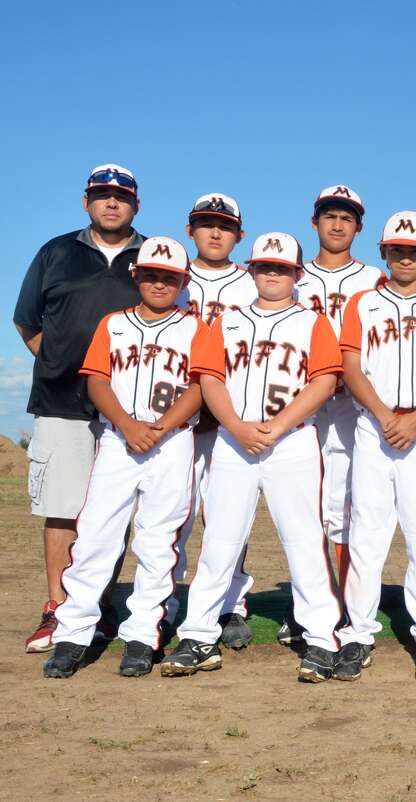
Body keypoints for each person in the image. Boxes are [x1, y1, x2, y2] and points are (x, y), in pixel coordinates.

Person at [160, 232, 345, 682]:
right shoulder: (227, 322)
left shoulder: (313, 323)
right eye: (264, 266)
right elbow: (210, 379)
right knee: (220, 538)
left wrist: (277, 427)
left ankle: (321, 638)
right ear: (252, 270)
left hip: (293, 440)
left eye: (281, 268)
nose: (272, 274)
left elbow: (323, 382)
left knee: (303, 540)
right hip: (233, 439)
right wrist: (238, 426)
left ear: (297, 274)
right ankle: (199, 634)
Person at [42, 237, 205, 678]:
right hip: (119, 438)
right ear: (136, 276)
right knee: (96, 535)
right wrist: (129, 426)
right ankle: (73, 633)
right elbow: (97, 380)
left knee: (158, 540)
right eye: (151, 274)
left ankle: (142, 634)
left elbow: (200, 386)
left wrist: (161, 427)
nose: (159, 283)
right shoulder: (114, 324)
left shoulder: (195, 328)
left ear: (183, 282)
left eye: (169, 277)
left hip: (171, 442)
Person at [13, 164, 144, 653]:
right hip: (61, 402)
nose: (111, 203)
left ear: (135, 204)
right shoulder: (56, 251)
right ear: (86, 202)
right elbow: (27, 322)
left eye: (121, 196)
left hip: (127, 408)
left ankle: (99, 607)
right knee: (63, 510)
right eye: (101, 195)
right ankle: (58, 608)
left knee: (111, 513)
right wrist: (62, 363)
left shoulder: (149, 255)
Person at [334, 211, 416, 681]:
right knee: (367, 534)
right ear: (384, 252)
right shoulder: (362, 303)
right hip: (375, 424)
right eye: (397, 250)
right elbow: (351, 366)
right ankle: (358, 633)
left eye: (414, 251)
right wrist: (388, 416)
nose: (406, 257)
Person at [277, 185, 386, 648]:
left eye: (347, 217)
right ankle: (311, 605)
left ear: (359, 227)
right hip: (301, 401)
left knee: (343, 508)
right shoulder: (291, 277)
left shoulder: (375, 279)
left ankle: (341, 606)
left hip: (350, 405)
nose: (337, 224)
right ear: (314, 222)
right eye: (329, 216)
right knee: (303, 509)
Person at [176, 193, 257, 650]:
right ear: (190, 230)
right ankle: (169, 599)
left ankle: (231, 604)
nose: (215, 232)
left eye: (224, 226)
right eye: (205, 224)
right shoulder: (170, 277)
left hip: (229, 420)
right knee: (173, 515)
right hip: (176, 419)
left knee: (229, 516)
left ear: (238, 235)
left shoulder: (252, 283)